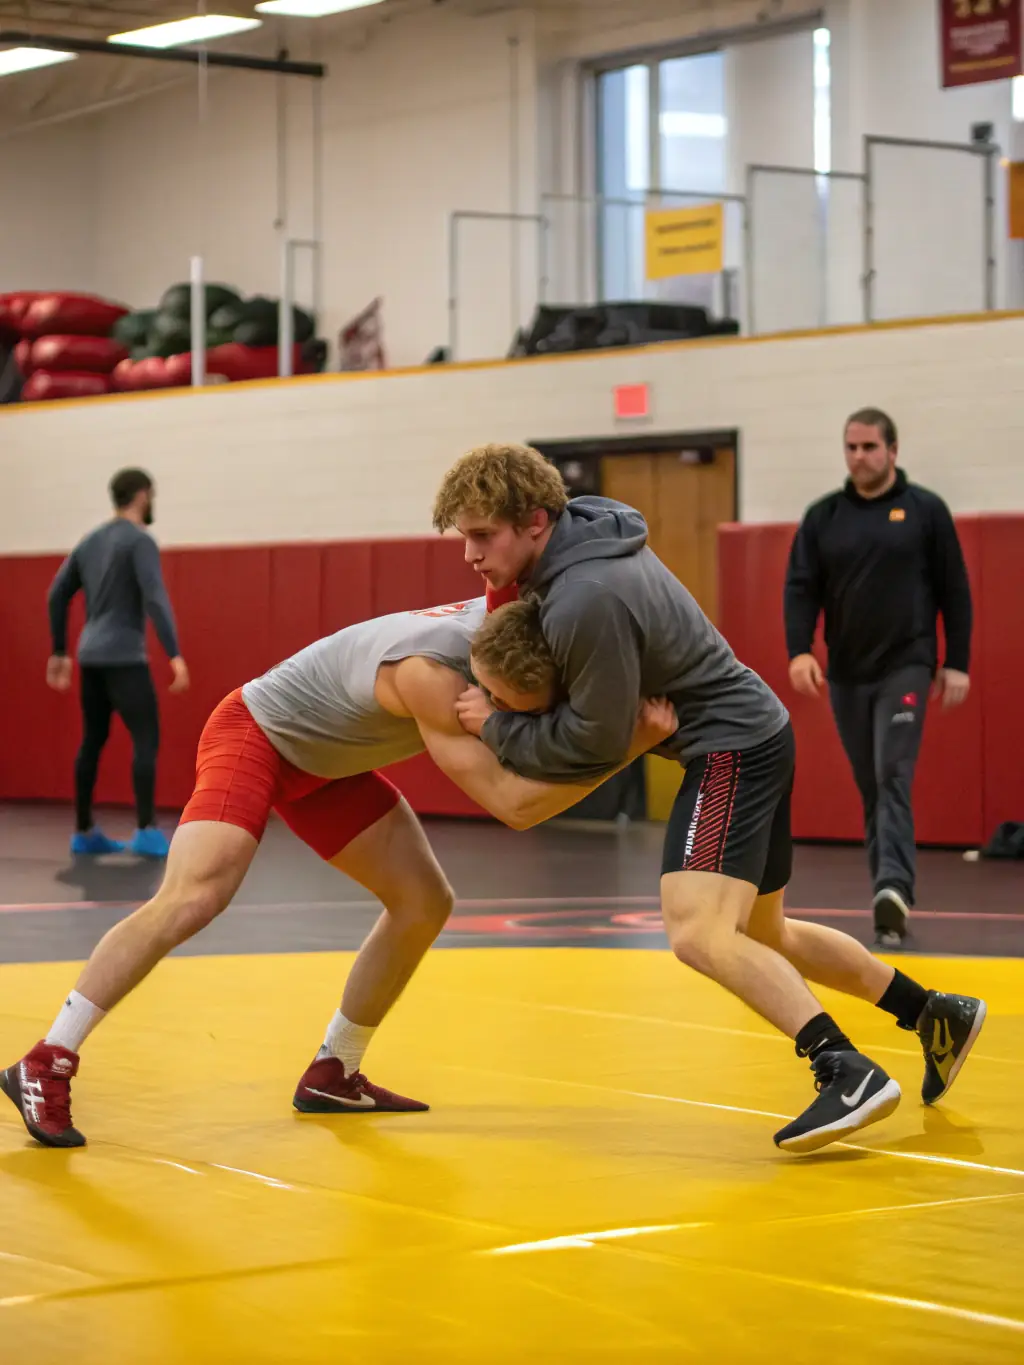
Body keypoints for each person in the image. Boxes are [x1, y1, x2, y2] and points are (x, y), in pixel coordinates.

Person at [432, 442, 986, 1156]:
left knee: (697, 930)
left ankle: (842, 1067)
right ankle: (932, 1013)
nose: (470, 555)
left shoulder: (584, 596)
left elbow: (595, 744)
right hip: (756, 730)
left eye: (483, 535)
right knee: (764, 935)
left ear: (537, 520)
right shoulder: (591, 531)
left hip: (730, 748)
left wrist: (498, 725)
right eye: (464, 536)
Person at [3, 595, 674, 1147]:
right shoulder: (431, 677)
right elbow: (515, 804)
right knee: (195, 895)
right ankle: (45, 1059)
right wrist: (629, 750)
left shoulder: (522, 624)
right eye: (495, 702)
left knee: (423, 901)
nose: (493, 717)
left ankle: (334, 1069)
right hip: (257, 732)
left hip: (327, 763)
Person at [784, 409, 973, 947]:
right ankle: (888, 890)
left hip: (907, 665)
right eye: (851, 447)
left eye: (869, 447)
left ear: (892, 450)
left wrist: (956, 660)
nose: (859, 457)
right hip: (847, 672)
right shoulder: (824, 517)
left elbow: (954, 590)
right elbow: (800, 588)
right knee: (871, 783)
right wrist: (800, 651)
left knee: (892, 770)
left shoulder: (925, 512)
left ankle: (892, 888)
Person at [46, 467, 190, 860]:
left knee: (92, 739)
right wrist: (174, 652)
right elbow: (155, 597)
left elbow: (56, 595)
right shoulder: (139, 541)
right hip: (125, 655)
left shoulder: (90, 541)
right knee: (146, 738)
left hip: (90, 655)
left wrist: (60, 651)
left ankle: (83, 831)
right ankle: (145, 829)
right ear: (142, 495)